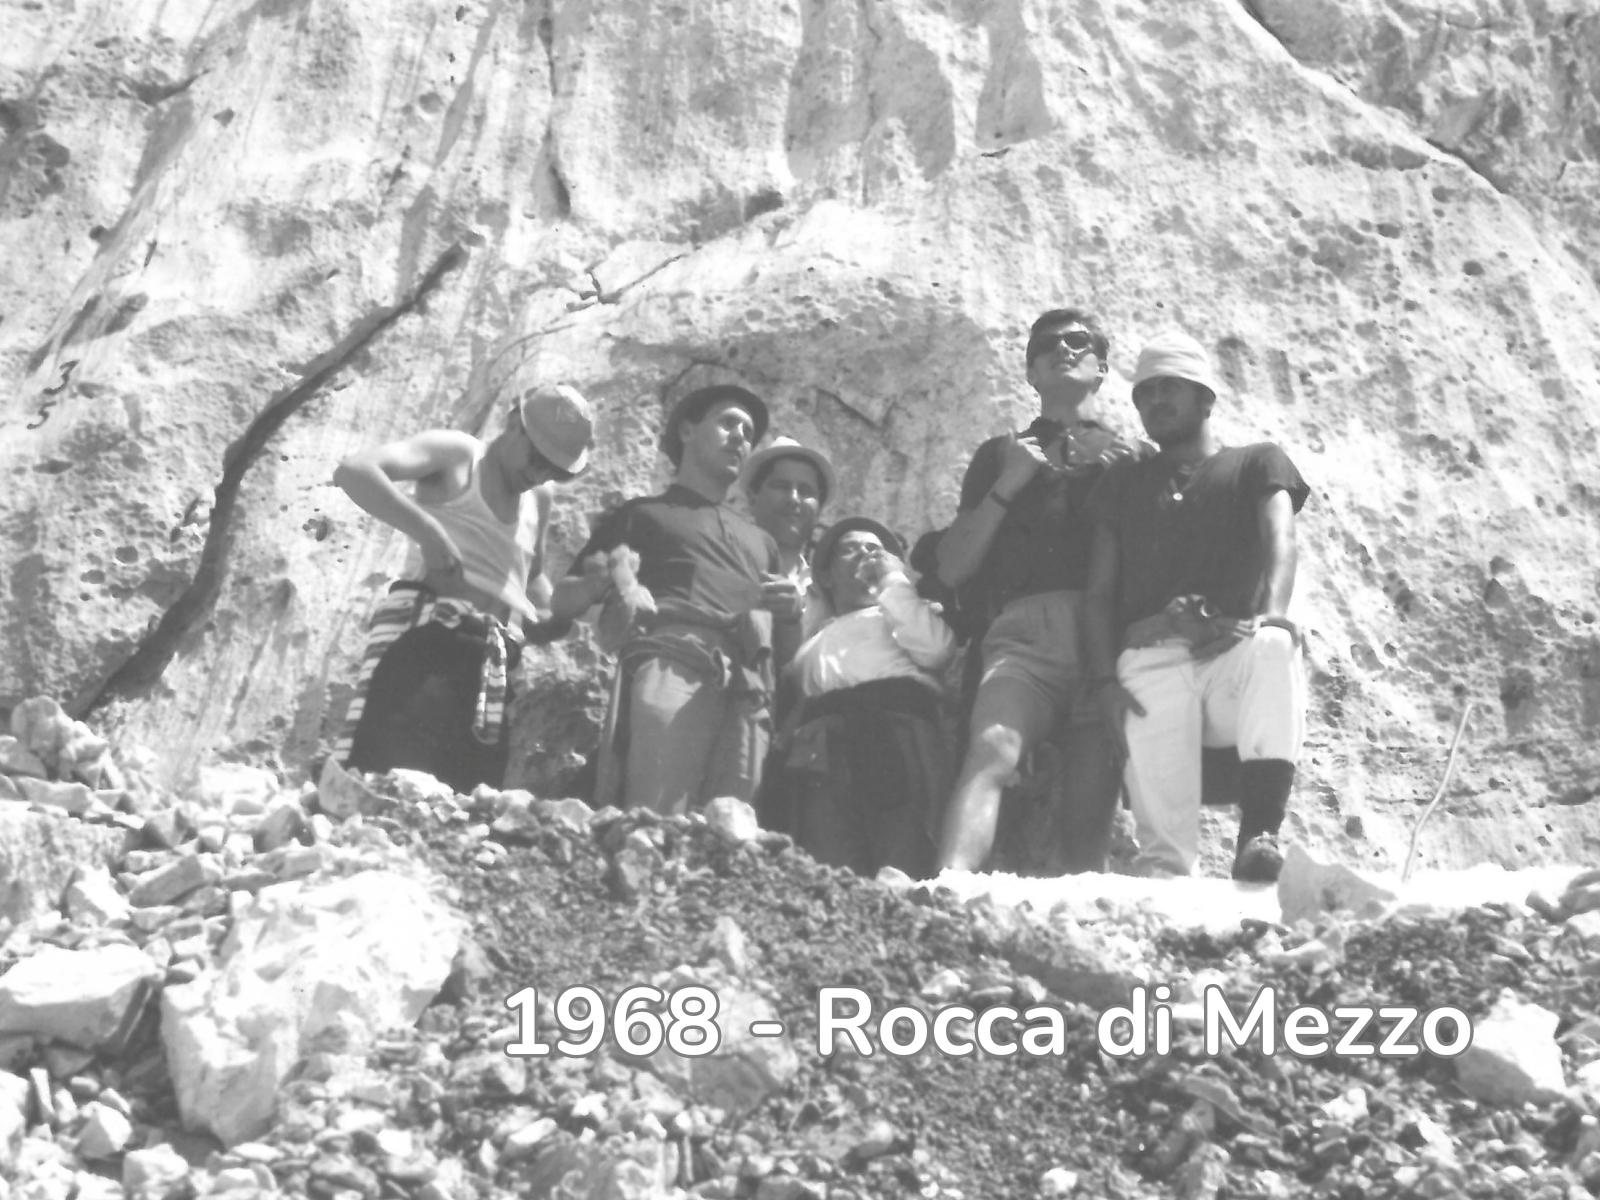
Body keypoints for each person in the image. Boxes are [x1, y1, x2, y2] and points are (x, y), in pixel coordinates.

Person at [1083, 330, 1310, 881]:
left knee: (1277, 645)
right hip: (1151, 659)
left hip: (1227, 658)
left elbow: (1282, 538)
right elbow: (1099, 592)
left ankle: (1259, 836)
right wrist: (1103, 684)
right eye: (1145, 394)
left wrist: (1270, 614)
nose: (1156, 402)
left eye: (1171, 389)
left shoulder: (1256, 462)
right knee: (1164, 861)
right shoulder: (1124, 482)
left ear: (1206, 398)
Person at [936, 309, 1143, 873]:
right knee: (991, 751)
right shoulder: (1001, 455)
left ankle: (1079, 922)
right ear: (1030, 372)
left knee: (1089, 802)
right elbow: (953, 566)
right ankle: (949, 884)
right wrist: (1008, 483)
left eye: (1078, 342)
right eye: (1046, 345)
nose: (1062, 349)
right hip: (1022, 634)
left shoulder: (1134, 459)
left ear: (1102, 368)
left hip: (1108, 642)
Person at [331, 383, 594, 792]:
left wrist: (566, 608)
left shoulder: (539, 499)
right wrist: (428, 532)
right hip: (425, 640)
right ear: (513, 424)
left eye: (553, 470)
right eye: (537, 458)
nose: (539, 474)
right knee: (386, 775)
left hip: (491, 661)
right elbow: (356, 470)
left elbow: (533, 583)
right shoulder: (458, 455)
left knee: (465, 792)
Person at [551, 384, 797, 814]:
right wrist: (599, 582)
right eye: (728, 422)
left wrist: (793, 611)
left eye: (749, 431)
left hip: (747, 683)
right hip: (672, 662)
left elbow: (785, 654)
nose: (740, 436)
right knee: (658, 810)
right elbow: (560, 602)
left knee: (730, 828)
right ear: (686, 431)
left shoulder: (763, 543)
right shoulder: (641, 515)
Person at [765, 517, 957, 878]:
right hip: (823, 752)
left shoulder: (904, 616)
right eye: (850, 549)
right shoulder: (813, 638)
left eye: (876, 550)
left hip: (896, 738)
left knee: (903, 865)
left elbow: (936, 651)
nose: (866, 555)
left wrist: (893, 583)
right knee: (830, 869)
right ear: (825, 575)